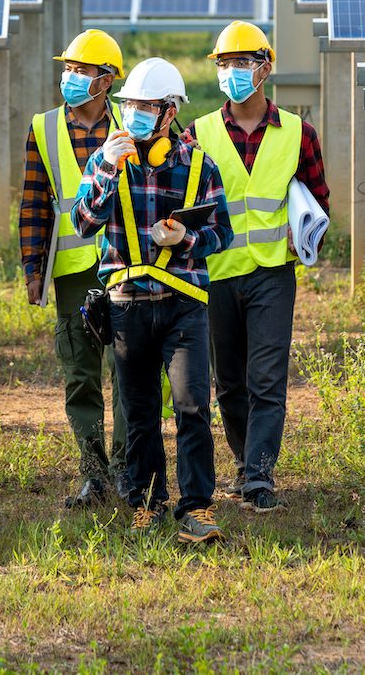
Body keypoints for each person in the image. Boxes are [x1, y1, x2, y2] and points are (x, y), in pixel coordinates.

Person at [72, 57, 235, 544]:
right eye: (129, 106)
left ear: (168, 113)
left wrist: (186, 237)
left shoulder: (199, 165)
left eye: (146, 107)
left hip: (184, 304)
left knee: (192, 406)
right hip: (127, 305)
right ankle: (145, 503)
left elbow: (222, 233)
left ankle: (196, 507)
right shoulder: (103, 161)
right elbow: (84, 223)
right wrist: (105, 168)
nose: (135, 115)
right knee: (139, 411)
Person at [182, 21, 331, 514]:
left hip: (272, 273)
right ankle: (246, 461)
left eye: (241, 63)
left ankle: (259, 474)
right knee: (228, 380)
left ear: (264, 69)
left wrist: (306, 235)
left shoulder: (298, 133)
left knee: (266, 376)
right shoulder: (197, 134)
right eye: (224, 64)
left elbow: (319, 199)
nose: (231, 73)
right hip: (215, 273)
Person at [20, 29, 129, 509]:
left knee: (129, 371)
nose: (70, 77)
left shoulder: (136, 122)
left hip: (126, 266)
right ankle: (94, 474)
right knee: (80, 374)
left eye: (81, 71)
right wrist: (31, 268)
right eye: (68, 69)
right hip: (70, 270)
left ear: (105, 81)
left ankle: (129, 471)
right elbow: (34, 203)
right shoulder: (42, 128)